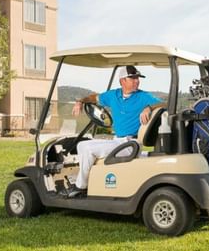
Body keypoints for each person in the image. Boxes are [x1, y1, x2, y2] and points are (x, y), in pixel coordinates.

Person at [67, 65, 164, 198]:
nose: (137, 81)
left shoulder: (143, 97)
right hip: (117, 141)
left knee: (87, 148)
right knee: (82, 144)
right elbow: (94, 98)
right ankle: (87, 182)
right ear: (122, 81)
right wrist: (80, 102)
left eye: (137, 78)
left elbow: (164, 104)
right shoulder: (114, 95)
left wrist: (148, 108)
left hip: (131, 144)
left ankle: (80, 187)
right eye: (133, 78)